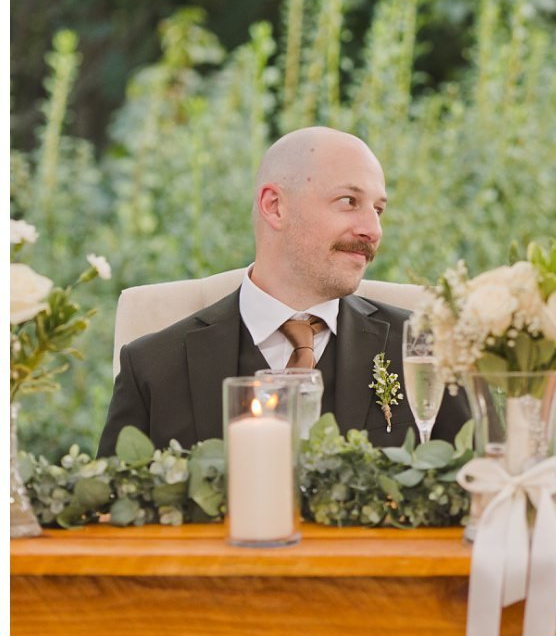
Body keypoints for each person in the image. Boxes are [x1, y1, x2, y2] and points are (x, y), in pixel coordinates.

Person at [97, 126, 469, 456]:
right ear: (274, 207)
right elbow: (110, 521)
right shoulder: (153, 367)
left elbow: (471, 502)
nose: (372, 229)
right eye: (349, 202)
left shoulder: (427, 347)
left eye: (378, 209)